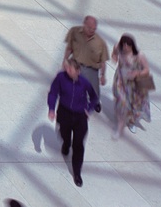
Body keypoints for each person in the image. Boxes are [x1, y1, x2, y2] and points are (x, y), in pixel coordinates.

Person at [47, 54, 99, 186]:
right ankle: (65, 143)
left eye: (71, 69)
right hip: (64, 112)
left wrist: (89, 109)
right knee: (64, 134)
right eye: (67, 68)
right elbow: (53, 93)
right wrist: (51, 109)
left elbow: (94, 97)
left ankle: (77, 173)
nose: (68, 71)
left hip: (80, 116)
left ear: (78, 71)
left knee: (78, 144)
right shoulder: (61, 78)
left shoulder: (84, 83)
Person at [111, 33, 151, 136]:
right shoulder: (117, 47)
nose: (125, 48)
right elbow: (114, 54)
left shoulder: (139, 55)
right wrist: (115, 58)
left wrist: (137, 73)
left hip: (134, 82)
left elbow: (146, 70)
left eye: (127, 46)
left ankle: (131, 121)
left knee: (133, 103)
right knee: (121, 100)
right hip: (120, 78)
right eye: (123, 45)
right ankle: (122, 117)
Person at [64, 16, 108, 97]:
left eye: (94, 29)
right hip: (75, 64)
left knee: (93, 89)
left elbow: (103, 62)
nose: (92, 30)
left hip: (91, 69)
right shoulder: (74, 32)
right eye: (89, 28)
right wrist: (65, 60)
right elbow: (69, 48)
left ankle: (95, 102)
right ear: (84, 24)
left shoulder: (100, 43)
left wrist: (102, 75)